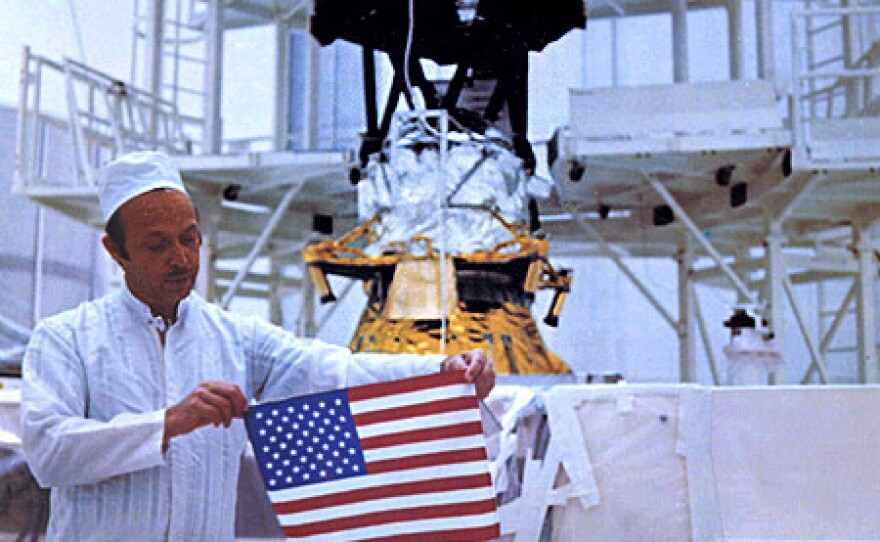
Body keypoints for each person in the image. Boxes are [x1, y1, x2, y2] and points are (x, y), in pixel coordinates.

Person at [20, 151, 495, 542]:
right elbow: (48, 452)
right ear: (115, 251)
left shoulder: (231, 338)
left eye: (189, 239)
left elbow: (329, 370)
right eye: (158, 245)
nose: (181, 258)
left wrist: (441, 372)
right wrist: (168, 424)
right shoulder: (66, 339)